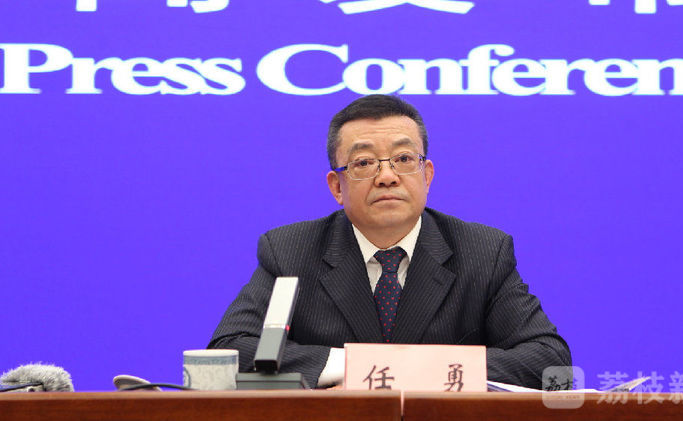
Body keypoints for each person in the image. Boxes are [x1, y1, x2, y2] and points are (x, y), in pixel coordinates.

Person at [208, 95, 571, 388]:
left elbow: (551, 363)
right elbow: (228, 353)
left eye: (403, 159)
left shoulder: (483, 251)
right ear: (336, 187)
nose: (387, 177)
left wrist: (410, 370)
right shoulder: (290, 251)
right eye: (364, 163)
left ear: (427, 176)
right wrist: (354, 366)